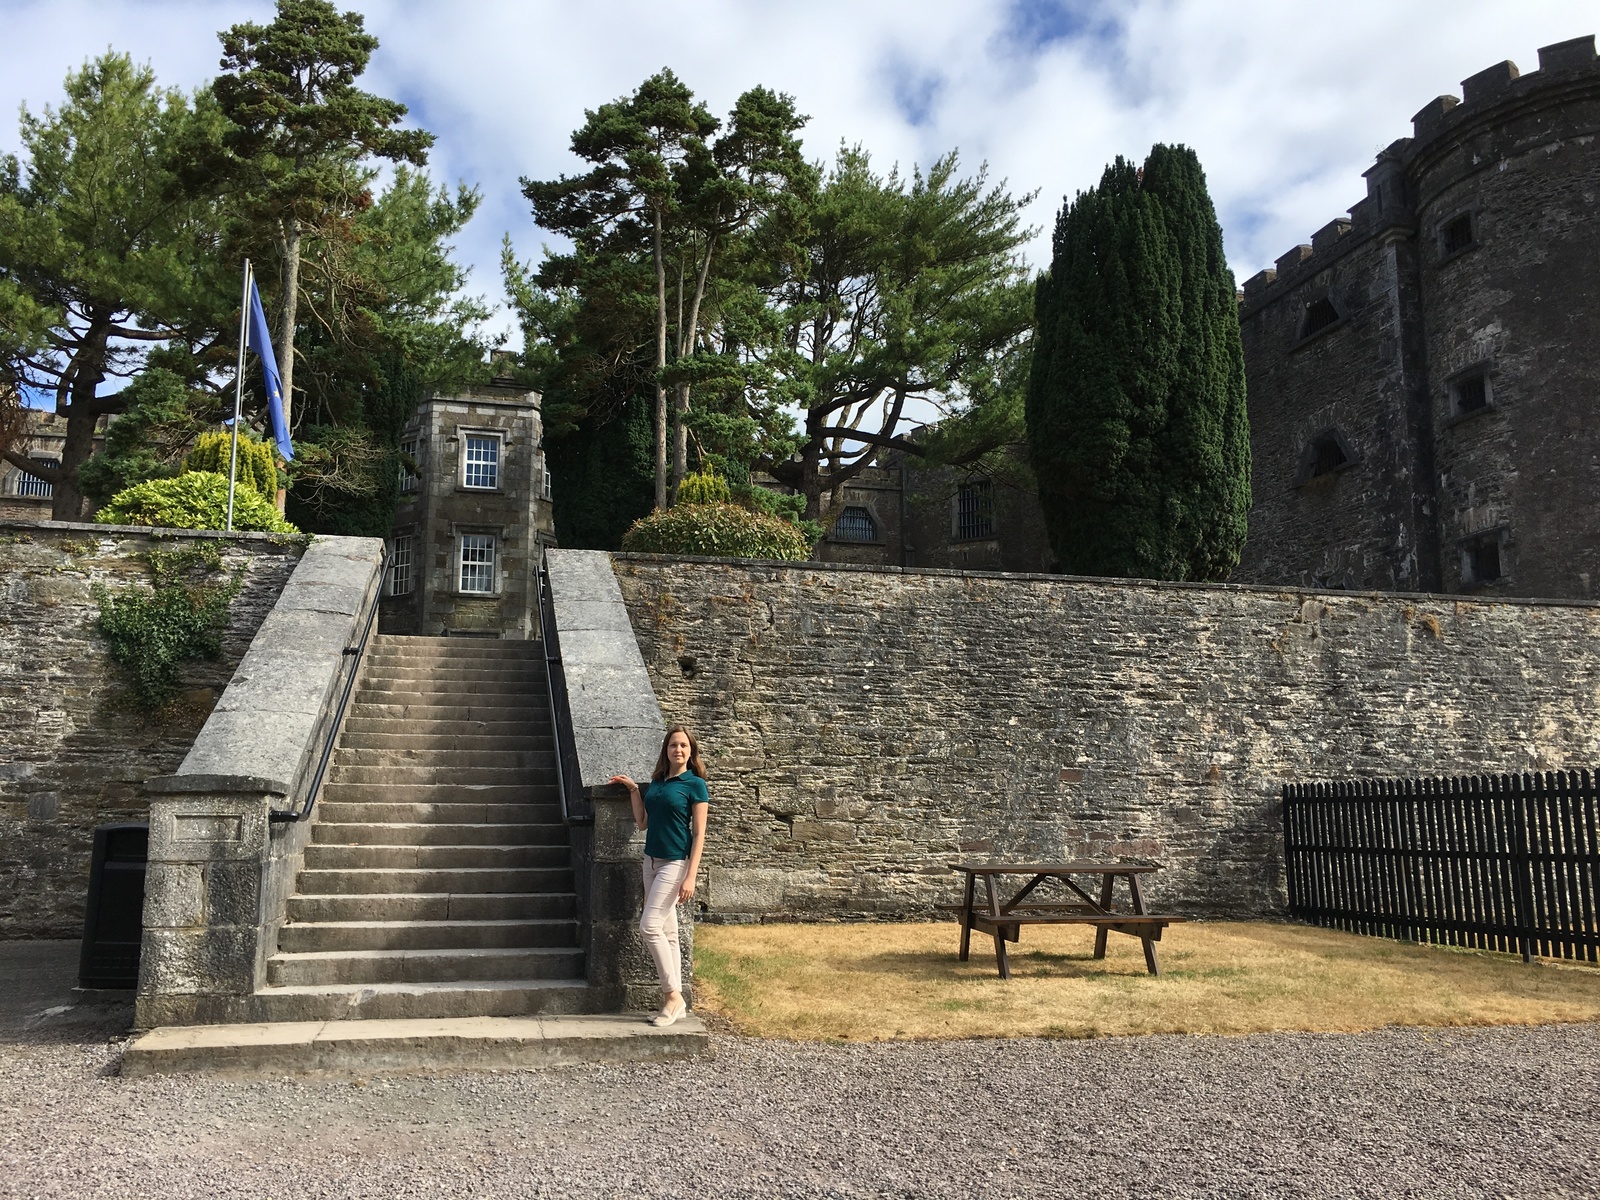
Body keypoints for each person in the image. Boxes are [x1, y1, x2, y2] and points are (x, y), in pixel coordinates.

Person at [608, 725, 709, 1027]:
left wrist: (691, 876)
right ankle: (676, 1003)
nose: (678, 750)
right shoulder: (657, 783)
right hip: (650, 862)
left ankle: (672, 996)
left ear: (691, 753)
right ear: (666, 750)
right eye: (673, 745)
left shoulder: (695, 785)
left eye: (683, 746)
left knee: (648, 926)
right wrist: (633, 790)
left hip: (674, 863)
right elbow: (642, 823)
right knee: (667, 933)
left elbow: (700, 833)